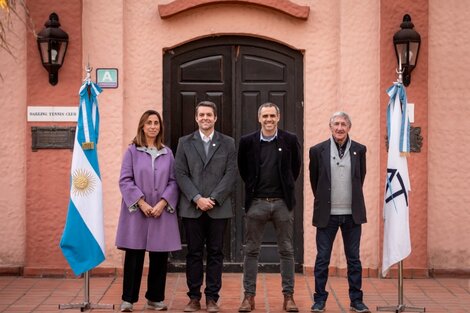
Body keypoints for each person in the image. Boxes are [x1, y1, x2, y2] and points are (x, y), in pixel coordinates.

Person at [238, 102, 302, 313]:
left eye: (272, 116)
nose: (268, 120)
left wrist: (284, 191)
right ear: (259, 118)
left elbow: (295, 169)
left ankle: (288, 297)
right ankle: (249, 297)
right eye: (265, 116)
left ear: (278, 117)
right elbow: (243, 169)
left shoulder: (290, 140)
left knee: (286, 250)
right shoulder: (247, 142)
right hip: (256, 203)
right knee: (251, 251)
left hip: (282, 203)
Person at [174, 101, 237, 313]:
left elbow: (231, 174)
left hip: (218, 209)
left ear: (215, 118)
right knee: (193, 253)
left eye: (209, 115)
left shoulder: (227, 143)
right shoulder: (184, 142)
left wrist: (214, 198)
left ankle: (212, 298)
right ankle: (193, 297)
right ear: (196, 118)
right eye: (201, 115)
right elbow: (180, 173)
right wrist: (197, 198)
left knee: (216, 253)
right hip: (192, 208)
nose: (205, 118)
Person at [116, 110, 181, 312]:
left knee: (159, 256)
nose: (153, 126)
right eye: (149, 123)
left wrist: (163, 203)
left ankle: (155, 298)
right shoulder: (132, 151)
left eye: (156, 123)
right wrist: (141, 203)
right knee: (134, 256)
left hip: (160, 211)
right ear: (142, 126)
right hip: (137, 211)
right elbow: (125, 180)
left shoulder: (167, 152)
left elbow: (173, 181)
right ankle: (128, 299)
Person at [308, 112, 370, 313]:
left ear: (349, 127)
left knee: (354, 259)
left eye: (344, 124)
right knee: (323, 258)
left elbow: (360, 178)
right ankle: (319, 300)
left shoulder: (359, 150)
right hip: (328, 214)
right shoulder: (317, 150)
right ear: (330, 126)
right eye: (336, 124)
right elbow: (315, 181)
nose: (340, 128)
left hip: (352, 214)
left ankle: (356, 300)